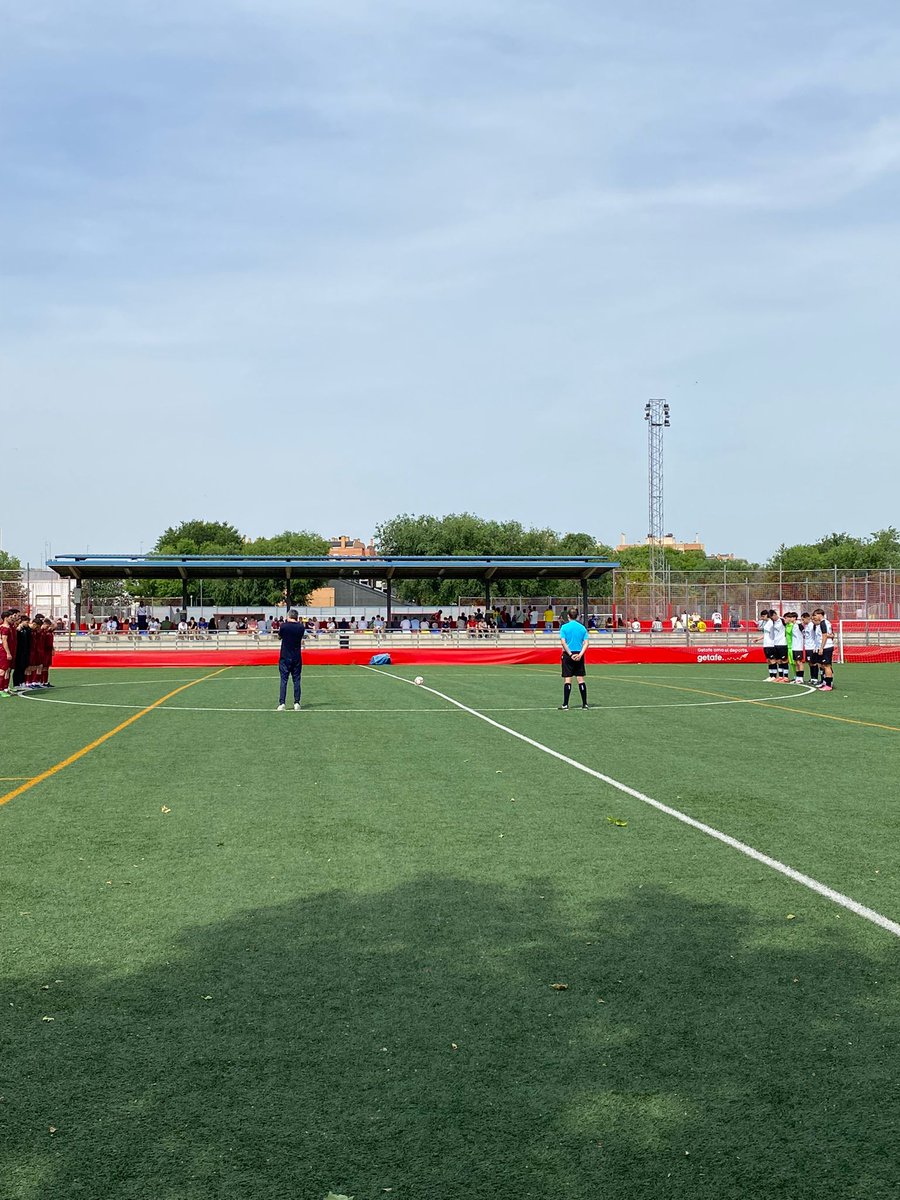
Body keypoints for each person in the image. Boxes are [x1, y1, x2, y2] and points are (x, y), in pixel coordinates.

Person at [558, 609, 590, 710]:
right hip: (579, 654)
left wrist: (570, 654)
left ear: (568, 616)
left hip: (568, 655)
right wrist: (580, 654)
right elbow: (586, 643)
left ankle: (565, 704)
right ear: (577, 616)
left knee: (568, 679)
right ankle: (585, 704)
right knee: (580, 679)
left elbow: (563, 642)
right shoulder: (582, 628)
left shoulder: (564, 627)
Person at [276, 608, 305, 711]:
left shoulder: (284, 626)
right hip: (296, 656)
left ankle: (282, 703)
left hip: (285, 656)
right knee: (296, 680)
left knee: (284, 680)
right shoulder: (301, 627)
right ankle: (297, 702)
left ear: (289, 616)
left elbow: (279, 637)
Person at [811, 608, 835, 690]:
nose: (814, 617)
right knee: (823, 665)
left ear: (820, 615)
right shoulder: (824, 623)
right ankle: (825, 682)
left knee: (827, 665)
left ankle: (828, 685)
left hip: (826, 647)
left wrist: (821, 648)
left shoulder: (823, 623)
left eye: (815, 615)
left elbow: (824, 635)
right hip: (824, 646)